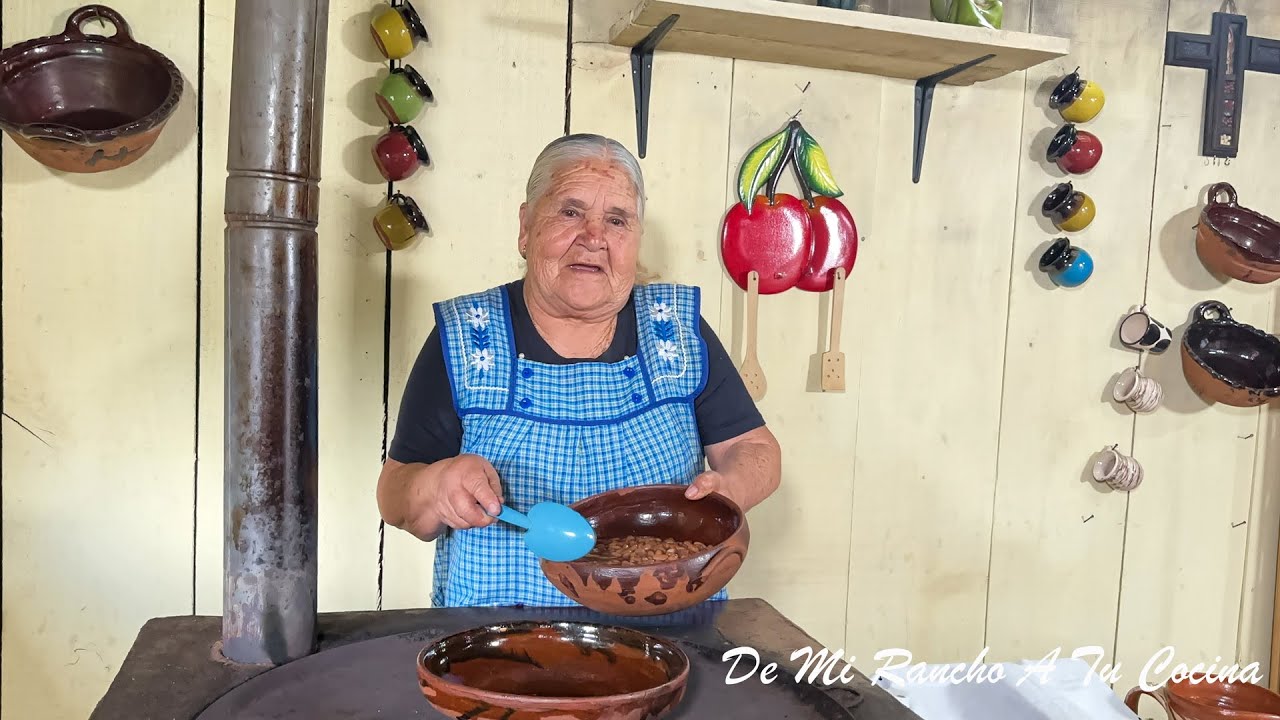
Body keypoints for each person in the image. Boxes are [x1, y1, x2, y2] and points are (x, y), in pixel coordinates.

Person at [377, 132, 782, 608]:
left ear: (636, 240)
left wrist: (728, 490)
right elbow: (395, 496)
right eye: (570, 212)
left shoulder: (676, 330)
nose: (594, 237)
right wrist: (437, 486)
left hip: (666, 637)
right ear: (526, 227)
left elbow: (757, 450)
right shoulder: (468, 337)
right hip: (503, 647)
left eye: (617, 220)